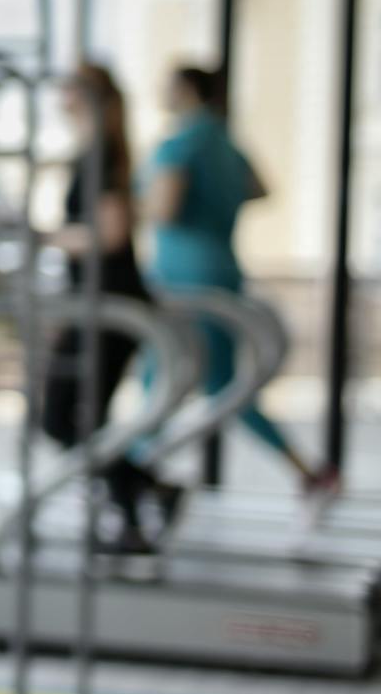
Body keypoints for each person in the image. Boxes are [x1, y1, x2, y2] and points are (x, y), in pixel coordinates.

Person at [137, 64, 337, 500]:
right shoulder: (225, 144)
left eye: (166, 86)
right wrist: (216, 204)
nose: (159, 93)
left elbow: (163, 210)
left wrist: (134, 203)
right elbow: (261, 189)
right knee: (226, 384)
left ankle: (132, 474)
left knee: (158, 376)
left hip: (182, 276)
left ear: (187, 90)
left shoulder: (179, 144)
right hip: (222, 268)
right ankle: (307, 470)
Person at [38, 63, 155, 550]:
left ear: (82, 96)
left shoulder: (101, 155)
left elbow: (110, 234)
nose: (58, 96)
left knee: (65, 418)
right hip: (96, 303)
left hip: (110, 303)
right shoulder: (94, 151)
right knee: (77, 418)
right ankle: (143, 495)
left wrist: (46, 237)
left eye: (66, 88)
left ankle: (138, 503)